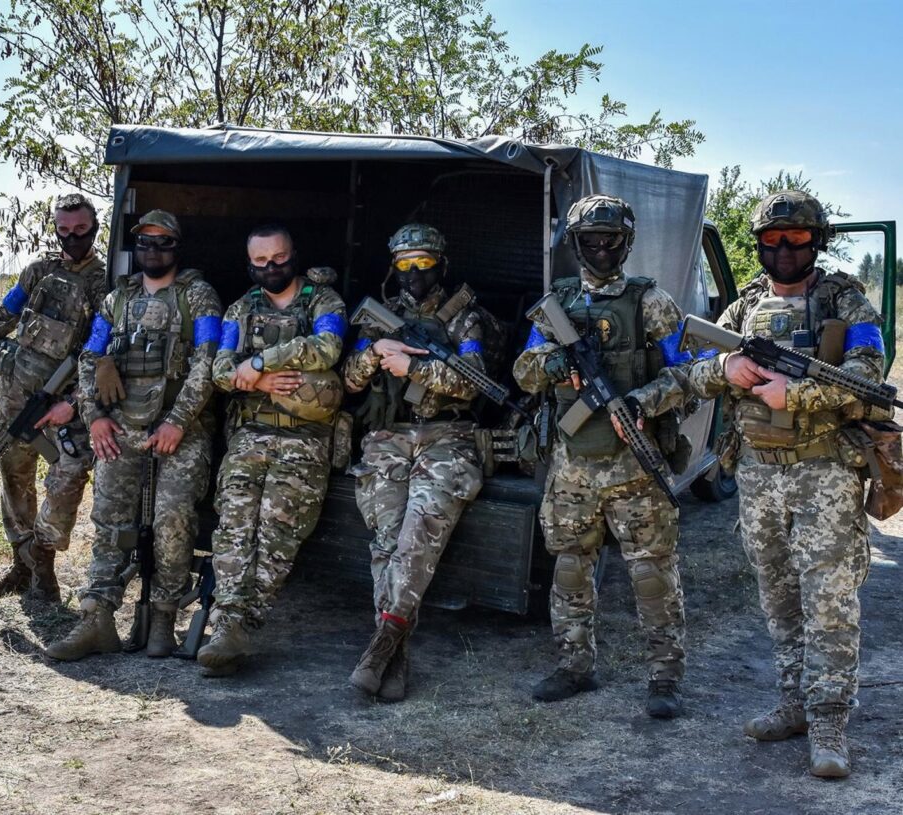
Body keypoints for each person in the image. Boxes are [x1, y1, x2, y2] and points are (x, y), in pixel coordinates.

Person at [684, 190, 882, 778]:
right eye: (773, 239)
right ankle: (794, 703)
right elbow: (685, 368)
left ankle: (829, 723)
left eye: (797, 238)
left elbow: (867, 376)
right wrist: (725, 367)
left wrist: (795, 393)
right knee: (778, 595)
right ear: (760, 245)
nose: (785, 249)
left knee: (829, 600)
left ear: (816, 242)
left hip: (824, 474)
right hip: (758, 475)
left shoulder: (846, 300)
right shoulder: (744, 307)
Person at [513, 194, 691, 719]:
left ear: (626, 243)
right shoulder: (557, 304)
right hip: (572, 466)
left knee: (652, 574)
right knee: (570, 568)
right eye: (590, 240)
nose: (600, 250)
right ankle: (574, 665)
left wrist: (644, 400)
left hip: (637, 466)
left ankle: (664, 676)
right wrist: (554, 364)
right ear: (575, 244)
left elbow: (690, 374)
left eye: (610, 240)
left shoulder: (652, 302)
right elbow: (523, 370)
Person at [45, 209, 221, 660]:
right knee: (109, 521)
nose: (152, 250)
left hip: (180, 430)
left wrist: (178, 421)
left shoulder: (198, 296)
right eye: (144, 242)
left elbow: (207, 363)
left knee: (172, 522)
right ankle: (97, 618)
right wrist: (94, 417)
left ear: (176, 247)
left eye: (163, 242)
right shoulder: (117, 300)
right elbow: (89, 357)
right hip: (120, 427)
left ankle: (162, 617)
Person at [341, 223, 484, 701]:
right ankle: (395, 655)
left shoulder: (464, 318)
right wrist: (375, 353)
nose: (414, 273)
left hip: (447, 437)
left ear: (441, 265)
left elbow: (474, 382)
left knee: (415, 539)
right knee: (386, 543)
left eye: (423, 263)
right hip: (389, 436)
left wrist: (416, 368)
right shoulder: (380, 318)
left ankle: (382, 644)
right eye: (404, 264)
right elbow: (350, 381)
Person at [195, 224, 346, 677]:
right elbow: (221, 369)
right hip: (251, 432)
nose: (270, 268)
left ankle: (243, 623)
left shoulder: (323, 301)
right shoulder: (241, 309)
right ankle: (226, 625)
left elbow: (328, 348)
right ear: (250, 264)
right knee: (234, 526)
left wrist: (262, 362)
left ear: (293, 255)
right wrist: (257, 382)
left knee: (277, 530)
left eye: (278, 258)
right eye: (260, 261)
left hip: (305, 436)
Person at [0, 194, 107, 602]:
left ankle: (41, 553)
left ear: (95, 227)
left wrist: (73, 402)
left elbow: (103, 352)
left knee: (68, 477)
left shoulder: (104, 283)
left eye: (81, 229)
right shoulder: (38, 270)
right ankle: (26, 571)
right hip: (16, 397)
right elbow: (2, 318)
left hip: (64, 406)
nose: (72, 237)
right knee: (14, 479)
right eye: (64, 230)